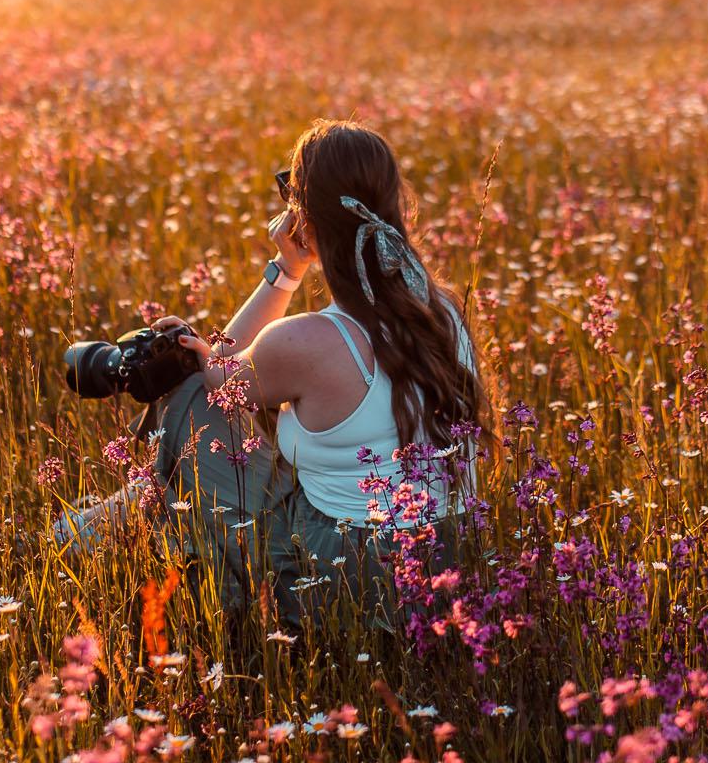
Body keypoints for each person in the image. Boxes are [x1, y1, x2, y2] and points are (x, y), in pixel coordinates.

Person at [170, 119, 485, 624]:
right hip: (453, 561)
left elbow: (220, 376)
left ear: (303, 217)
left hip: (350, 576)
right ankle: (105, 520)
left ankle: (215, 602)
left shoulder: (307, 341)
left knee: (188, 399)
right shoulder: (443, 310)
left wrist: (286, 271)